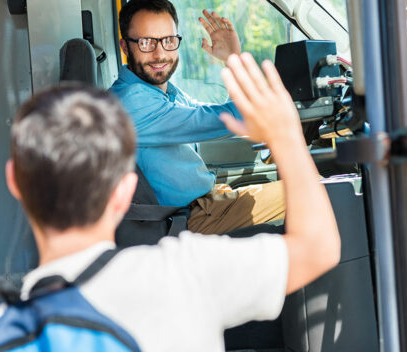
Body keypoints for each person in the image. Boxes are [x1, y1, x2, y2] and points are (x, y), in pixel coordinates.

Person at [0, 53, 340, 352]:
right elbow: (318, 248)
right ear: (125, 191)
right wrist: (287, 136)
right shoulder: (185, 272)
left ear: (14, 182)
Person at [110, 0, 286, 235]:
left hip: (208, 201)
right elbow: (224, 119)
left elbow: (216, 113)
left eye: (168, 41)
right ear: (125, 46)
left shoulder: (162, 91)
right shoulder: (130, 102)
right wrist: (234, 60)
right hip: (189, 219)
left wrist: (230, 60)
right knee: (314, 191)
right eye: (146, 43)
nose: (160, 54)